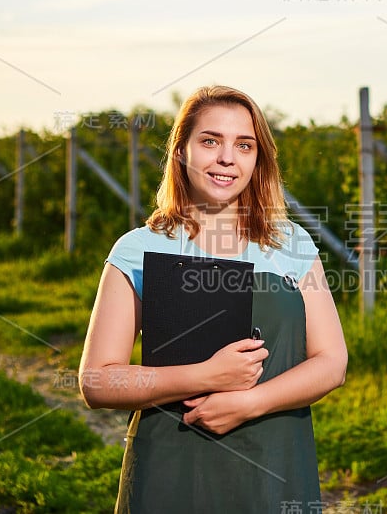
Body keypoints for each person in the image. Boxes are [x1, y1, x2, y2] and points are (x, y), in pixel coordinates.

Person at [78, 85, 348, 513]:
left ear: (258, 159)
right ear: (181, 151)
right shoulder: (137, 249)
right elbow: (96, 380)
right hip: (170, 467)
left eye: (244, 145)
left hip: (274, 468)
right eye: (210, 141)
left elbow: (332, 362)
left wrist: (247, 403)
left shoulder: (292, 244)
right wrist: (206, 375)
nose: (227, 158)